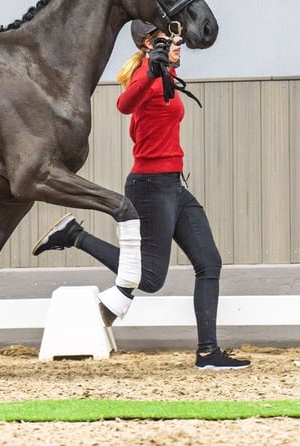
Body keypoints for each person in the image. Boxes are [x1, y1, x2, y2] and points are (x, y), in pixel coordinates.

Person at [33, 20, 251, 370]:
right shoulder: (144, 77)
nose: (178, 43)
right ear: (149, 44)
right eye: (170, 38)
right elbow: (124, 104)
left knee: (209, 262)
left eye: (177, 37)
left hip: (174, 186)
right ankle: (74, 235)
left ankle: (208, 352)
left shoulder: (163, 77)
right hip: (151, 186)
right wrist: (151, 70)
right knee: (150, 278)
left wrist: (158, 69)